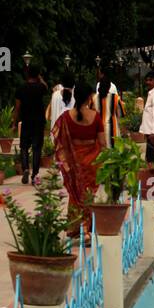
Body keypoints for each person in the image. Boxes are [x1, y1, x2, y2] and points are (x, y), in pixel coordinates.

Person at [52, 80, 104, 226]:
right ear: (89, 97)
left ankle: (77, 227)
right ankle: (88, 228)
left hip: (74, 163)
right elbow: (103, 144)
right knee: (88, 194)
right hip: (92, 163)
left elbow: (58, 140)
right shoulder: (96, 116)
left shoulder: (66, 117)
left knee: (75, 195)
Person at [13, 65, 48, 185]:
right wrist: (40, 78)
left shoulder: (21, 89)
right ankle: (35, 174)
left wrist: (14, 123)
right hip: (38, 122)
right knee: (37, 148)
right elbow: (46, 86)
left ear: (27, 75)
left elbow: (17, 108)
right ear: (37, 75)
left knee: (24, 146)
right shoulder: (40, 88)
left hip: (26, 121)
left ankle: (26, 169)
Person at [97, 75, 124, 147]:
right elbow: (121, 114)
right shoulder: (116, 98)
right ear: (109, 87)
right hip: (113, 130)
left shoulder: (93, 98)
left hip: (98, 130)